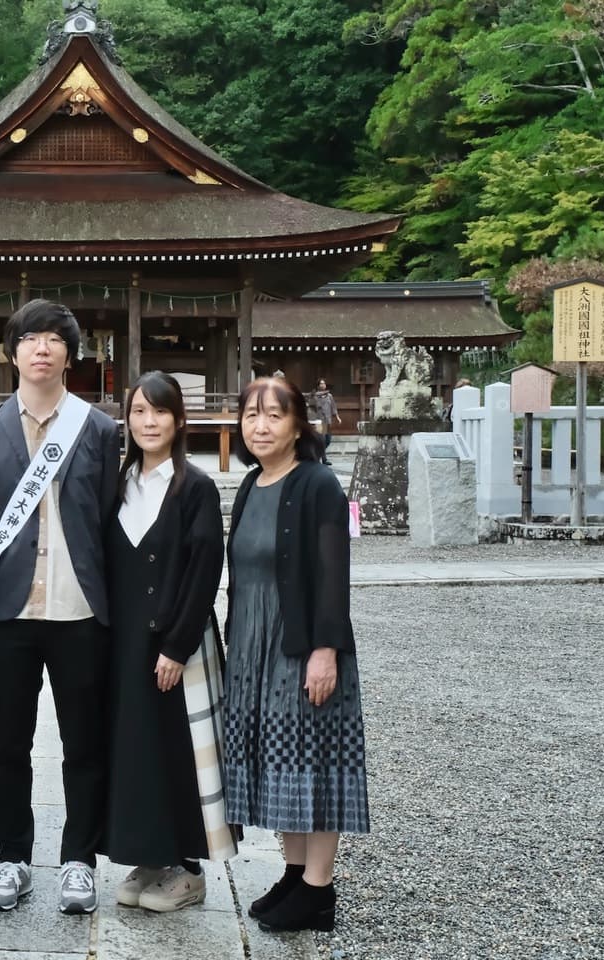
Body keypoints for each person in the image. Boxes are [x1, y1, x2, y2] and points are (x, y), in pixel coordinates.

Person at [0, 299, 119, 915]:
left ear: (70, 354)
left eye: (55, 339)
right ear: (12, 352)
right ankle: (13, 857)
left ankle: (79, 860)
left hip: (80, 610)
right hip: (9, 615)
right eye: (30, 338)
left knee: (84, 742)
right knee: (10, 743)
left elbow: (110, 515)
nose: (43, 348)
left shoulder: (101, 429)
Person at [223, 376, 370, 935]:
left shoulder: (318, 485)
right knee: (277, 765)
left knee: (314, 764)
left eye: (274, 416)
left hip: (301, 645)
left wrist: (324, 651)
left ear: (297, 425)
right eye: (252, 415)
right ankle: (293, 873)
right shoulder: (252, 484)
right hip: (255, 647)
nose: (261, 426)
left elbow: (335, 576)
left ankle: (319, 889)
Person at [103, 371, 237, 913]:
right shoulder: (119, 483)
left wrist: (178, 646)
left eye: (159, 411)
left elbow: (206, 569)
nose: (148, 421)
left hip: (174, 642)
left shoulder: (195, 486)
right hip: (124, 642)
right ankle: (150, 856)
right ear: (127, 420)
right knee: (136, 749)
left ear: (179, 420)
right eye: (138, 411)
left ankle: (188, 867)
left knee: (179, 750)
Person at [309, 379, 341, 466]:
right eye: (321, 384)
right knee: (322, 439)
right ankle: (324, 459)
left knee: (328, 439)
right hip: (319, 420)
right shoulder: (315, 396)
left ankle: (317, 453)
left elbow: (333, 406)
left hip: (328, 420)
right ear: (318, 385)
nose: (323, 385)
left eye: (324, 384)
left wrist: (337, 417)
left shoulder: (329, 396)